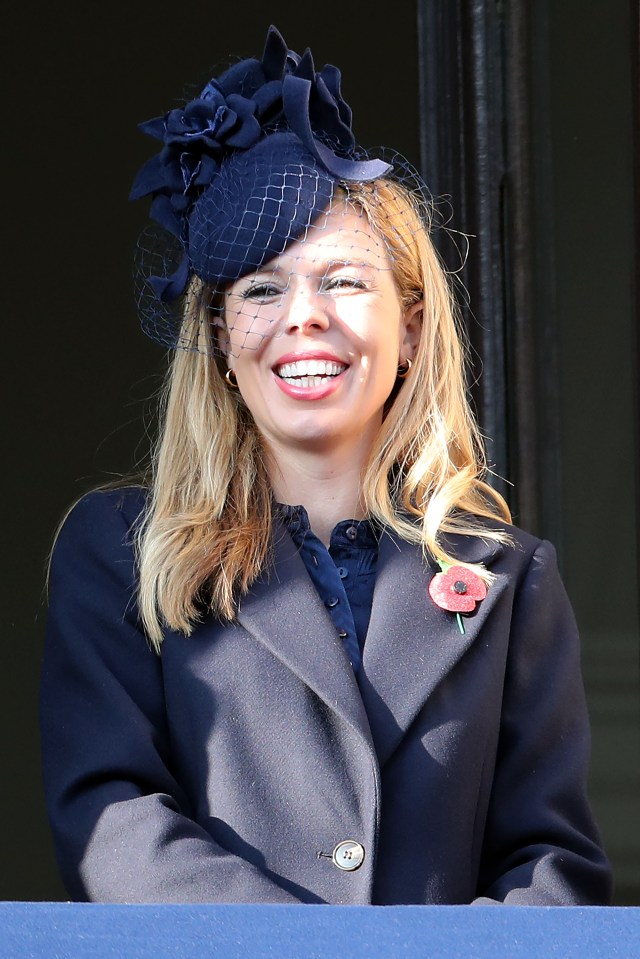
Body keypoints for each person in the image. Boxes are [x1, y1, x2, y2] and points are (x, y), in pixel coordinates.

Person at [40, 26, 611, 905]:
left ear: (412, 328)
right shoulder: (117, 552)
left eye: (344, 280)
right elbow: (114, 824)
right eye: (262, 289)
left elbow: (549, 868)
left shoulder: (510, 579)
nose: (303, 316)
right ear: (225, 339)